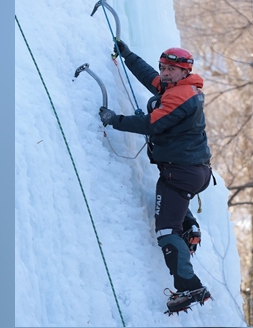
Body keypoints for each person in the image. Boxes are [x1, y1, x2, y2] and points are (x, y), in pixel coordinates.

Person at [98, 39, 213, 313]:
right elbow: (150, 78)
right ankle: (190, 228)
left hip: (181, 173)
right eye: (164, 67)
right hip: (190, 171)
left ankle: (190, 286)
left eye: (171, 69)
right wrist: (128, 55)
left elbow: (153, 123)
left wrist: (115, 120)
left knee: (164, 229)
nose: (164, 72)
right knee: (172, 208)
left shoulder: (181, 96)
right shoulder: (181, 88)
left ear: (185, 71)